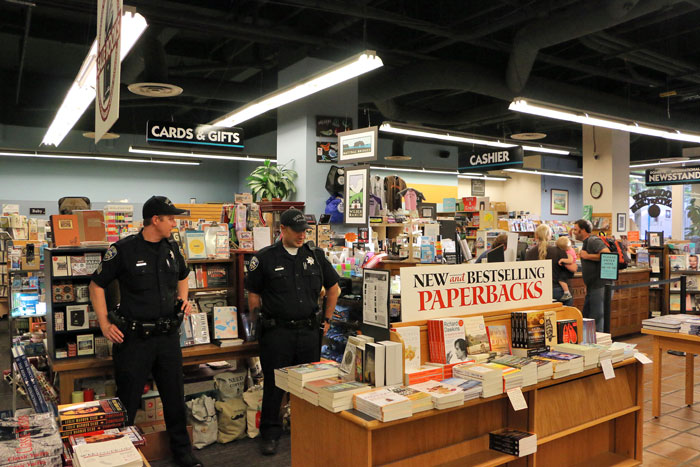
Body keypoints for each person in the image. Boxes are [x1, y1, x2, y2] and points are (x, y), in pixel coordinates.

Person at [89, 196, 202, 467]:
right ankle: (120, 456)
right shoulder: (124, 250)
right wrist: (105, 324)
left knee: (174, 397)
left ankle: (182, 453)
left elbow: (183, 275)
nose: (175, 223)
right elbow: (96, 285)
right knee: (127, 401)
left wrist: (183, 299)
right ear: (155, 220)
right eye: (171, 218)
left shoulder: (173, 248)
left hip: (166, 337)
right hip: (134, 339)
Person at [245, 209, 341, 455]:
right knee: (275, 386)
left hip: (309, 331)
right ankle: (270, 433)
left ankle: (308, 428)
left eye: (304, 231)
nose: (301, 235)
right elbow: (253, 294)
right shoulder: (264, 258)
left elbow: (334, 289)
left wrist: (327, 319)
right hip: (277, 333)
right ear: (283, 230)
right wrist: (258, 322)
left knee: (309, 385)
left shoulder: (315, 256)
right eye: (296, 231)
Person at [572, 219, 610, 331]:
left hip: (600, 285)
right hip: (593, 286)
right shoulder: (586, 242)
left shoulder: (593, 240)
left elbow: (606, 255)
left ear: (583, 230)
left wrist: (587, 256)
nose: (573, 232)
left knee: (596, 318)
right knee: (588, 316)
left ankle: (599, 343)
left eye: (576, 229)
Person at [525, 224, 573, 306]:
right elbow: (569, 271)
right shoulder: (559, 251)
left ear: (536, 236)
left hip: (537, 292)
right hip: (557, 290)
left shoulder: (529, 254)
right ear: (550, 236)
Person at [555, 236, 577, 301]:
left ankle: (566, 292)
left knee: (561, 280)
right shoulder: (571, 249)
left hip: (568, 271)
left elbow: (570, 260)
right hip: (570, 270)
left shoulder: (569, 252)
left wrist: (562, 260)